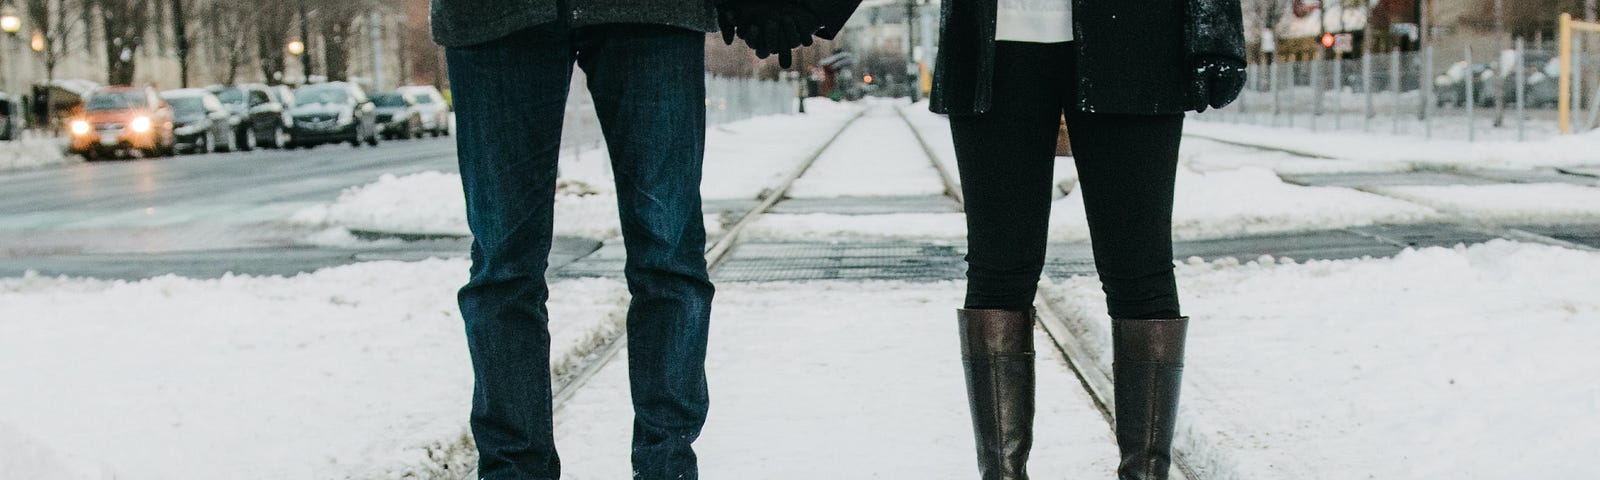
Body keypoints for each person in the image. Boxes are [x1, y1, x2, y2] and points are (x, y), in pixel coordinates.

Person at [431, 0, 855, 478]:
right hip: (498, 16)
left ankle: (666, 467)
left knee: (666, 255)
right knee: (507, 264)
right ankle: (515, 471)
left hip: (651, 9)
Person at [929, 0, 1245, 479]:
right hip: (991, 45)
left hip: (1137, 36)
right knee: (998, 271)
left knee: (1141, 269)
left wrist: (1217, 28)